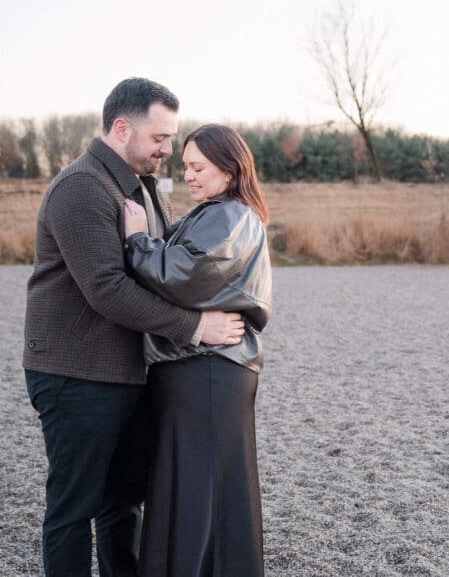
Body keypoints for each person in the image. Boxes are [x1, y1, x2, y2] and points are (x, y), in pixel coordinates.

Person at [23, 78, 247, 577]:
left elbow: (162, 270)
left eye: (171, 138)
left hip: (124, 372)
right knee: (73, 509)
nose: (168, 149)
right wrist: (196, 328)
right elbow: (105, 289)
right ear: (121, 129)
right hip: (74, 373)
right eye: (160, 138)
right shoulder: (81, 188)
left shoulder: (142, 187)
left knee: (123, 503)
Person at [122, 123, 272, 577]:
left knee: (197, 492)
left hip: (209, 370)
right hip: (204, 369)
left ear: (229, 169)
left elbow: (186, 273)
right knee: (203, 489)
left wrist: (136, 241)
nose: (188, 175)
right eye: (185, 166)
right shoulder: (212, 212)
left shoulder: (229, 216)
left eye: (198, 167)